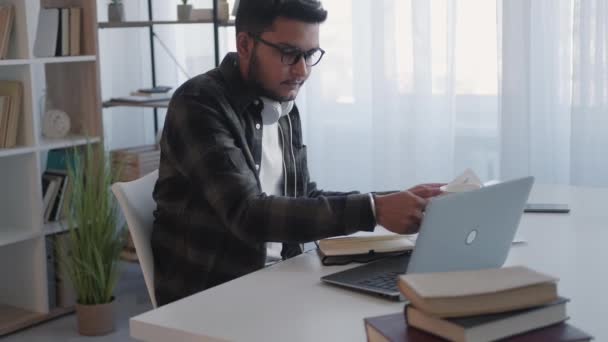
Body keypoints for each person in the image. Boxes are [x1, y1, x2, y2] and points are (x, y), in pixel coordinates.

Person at [151, 0, 443, 306]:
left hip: (281, 280)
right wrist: (374, 210)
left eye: (310, 55)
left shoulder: (282, 105)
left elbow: (301, 196)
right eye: (289, 54)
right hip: (213, 296)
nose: (302, 70)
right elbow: (246, 213)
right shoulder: (199, 103)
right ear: (245, 44)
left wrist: (398, 201)